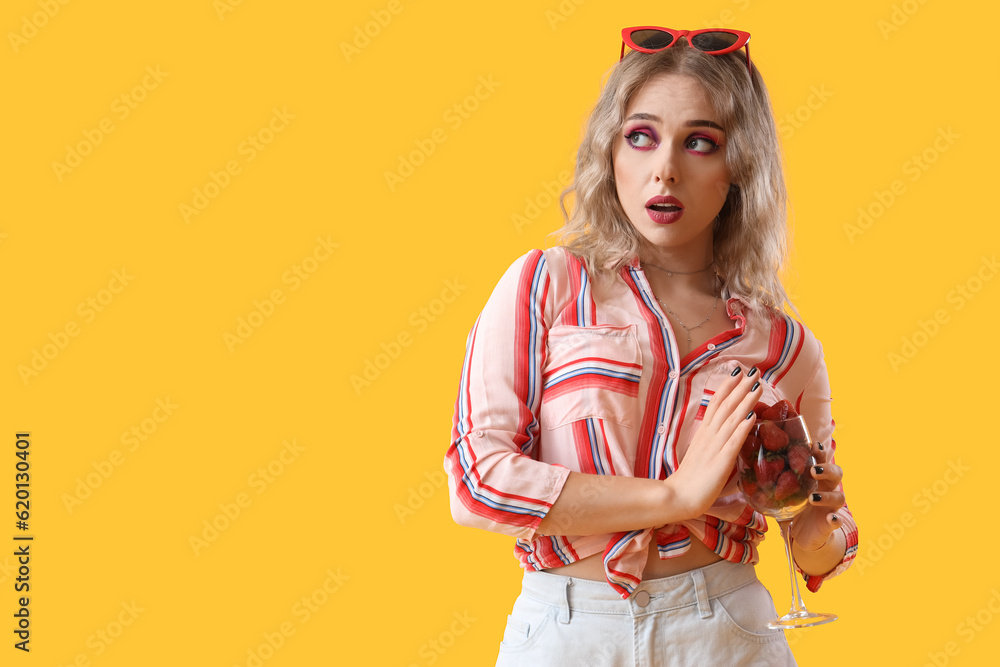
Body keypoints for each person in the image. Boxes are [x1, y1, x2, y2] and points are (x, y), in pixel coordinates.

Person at [444, 27, 858, 665]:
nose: (665, 168)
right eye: (641, 136)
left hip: (728, 632)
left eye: (700, 142)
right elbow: (480, 481)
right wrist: (674, 498)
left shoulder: (784, 344)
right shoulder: (547, 285)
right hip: (567, 631)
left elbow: (819, 548)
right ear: (611, 151)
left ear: (740, 164)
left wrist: (818, 518)